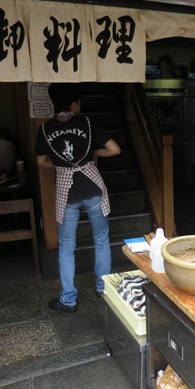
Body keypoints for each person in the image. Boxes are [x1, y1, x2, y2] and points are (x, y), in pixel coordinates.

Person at [35, 83, 121, 313]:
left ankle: (68, 299)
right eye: (79, 102)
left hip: (67, 192)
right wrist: (93, 153)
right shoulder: (88, 124)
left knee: (66, 246)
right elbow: (115, 149)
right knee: (101, 239)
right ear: (73, 104)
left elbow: (41, 161)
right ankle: (104, 288)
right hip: (93, 187)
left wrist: (63, 166)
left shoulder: (44, 129)